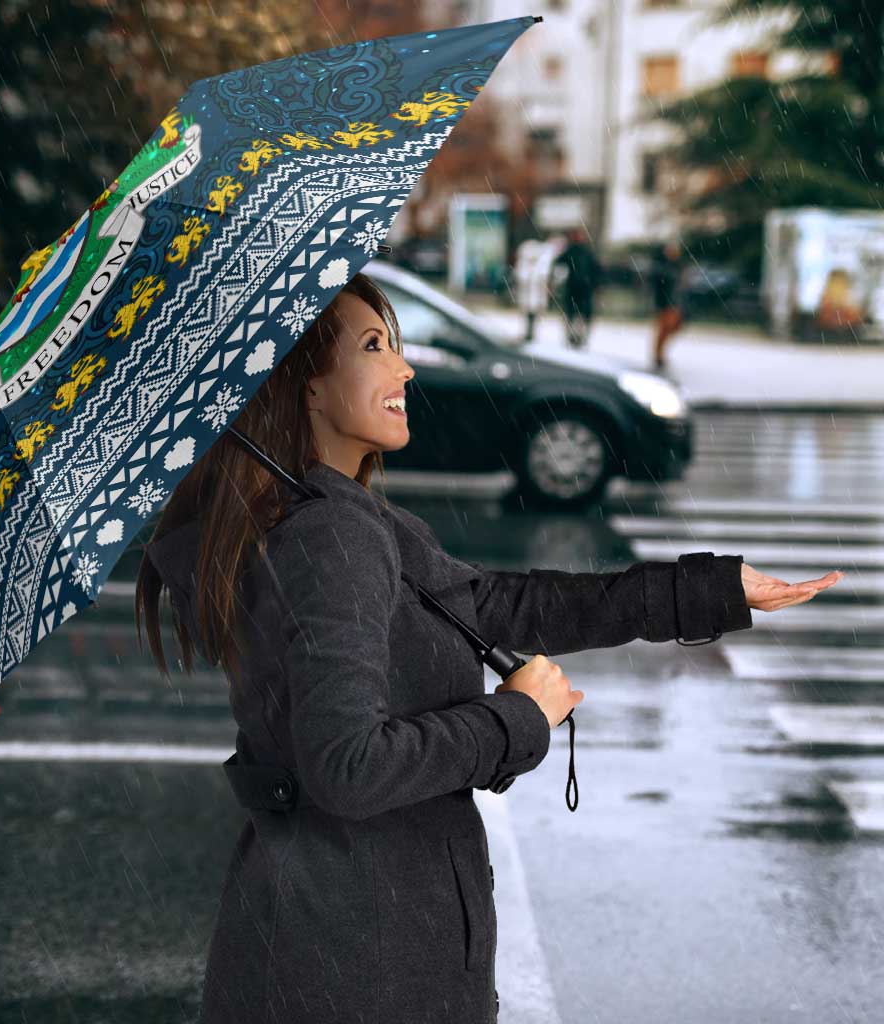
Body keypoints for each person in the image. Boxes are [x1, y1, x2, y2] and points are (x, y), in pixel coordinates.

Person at [136, 271, 839, 1024]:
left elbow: (500, 605)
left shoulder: (336, 518)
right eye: (374, 346)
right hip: (359, 962)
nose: (404, 368)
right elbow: (347, 767)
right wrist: (515, 719)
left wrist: (710, 590)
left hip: (339, 940)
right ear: (306, 386)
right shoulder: (330, 536)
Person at [552, 226, 602, 349]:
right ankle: (573, 337)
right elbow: (558, 264)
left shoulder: (585, 252)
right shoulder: (572, 251)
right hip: (575, 288)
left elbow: (596, 270)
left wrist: (595, 284)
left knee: (580, 315)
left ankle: (579, 337)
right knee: (573, 314)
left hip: (583, 288)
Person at [650, 239, 686, 370]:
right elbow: (659, 286)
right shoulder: (662, 267)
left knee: (672, 328)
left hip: (674, 303)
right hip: (665, 303)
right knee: (664, 329)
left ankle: (659, 354)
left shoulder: (677, 266)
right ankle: (658, 355)